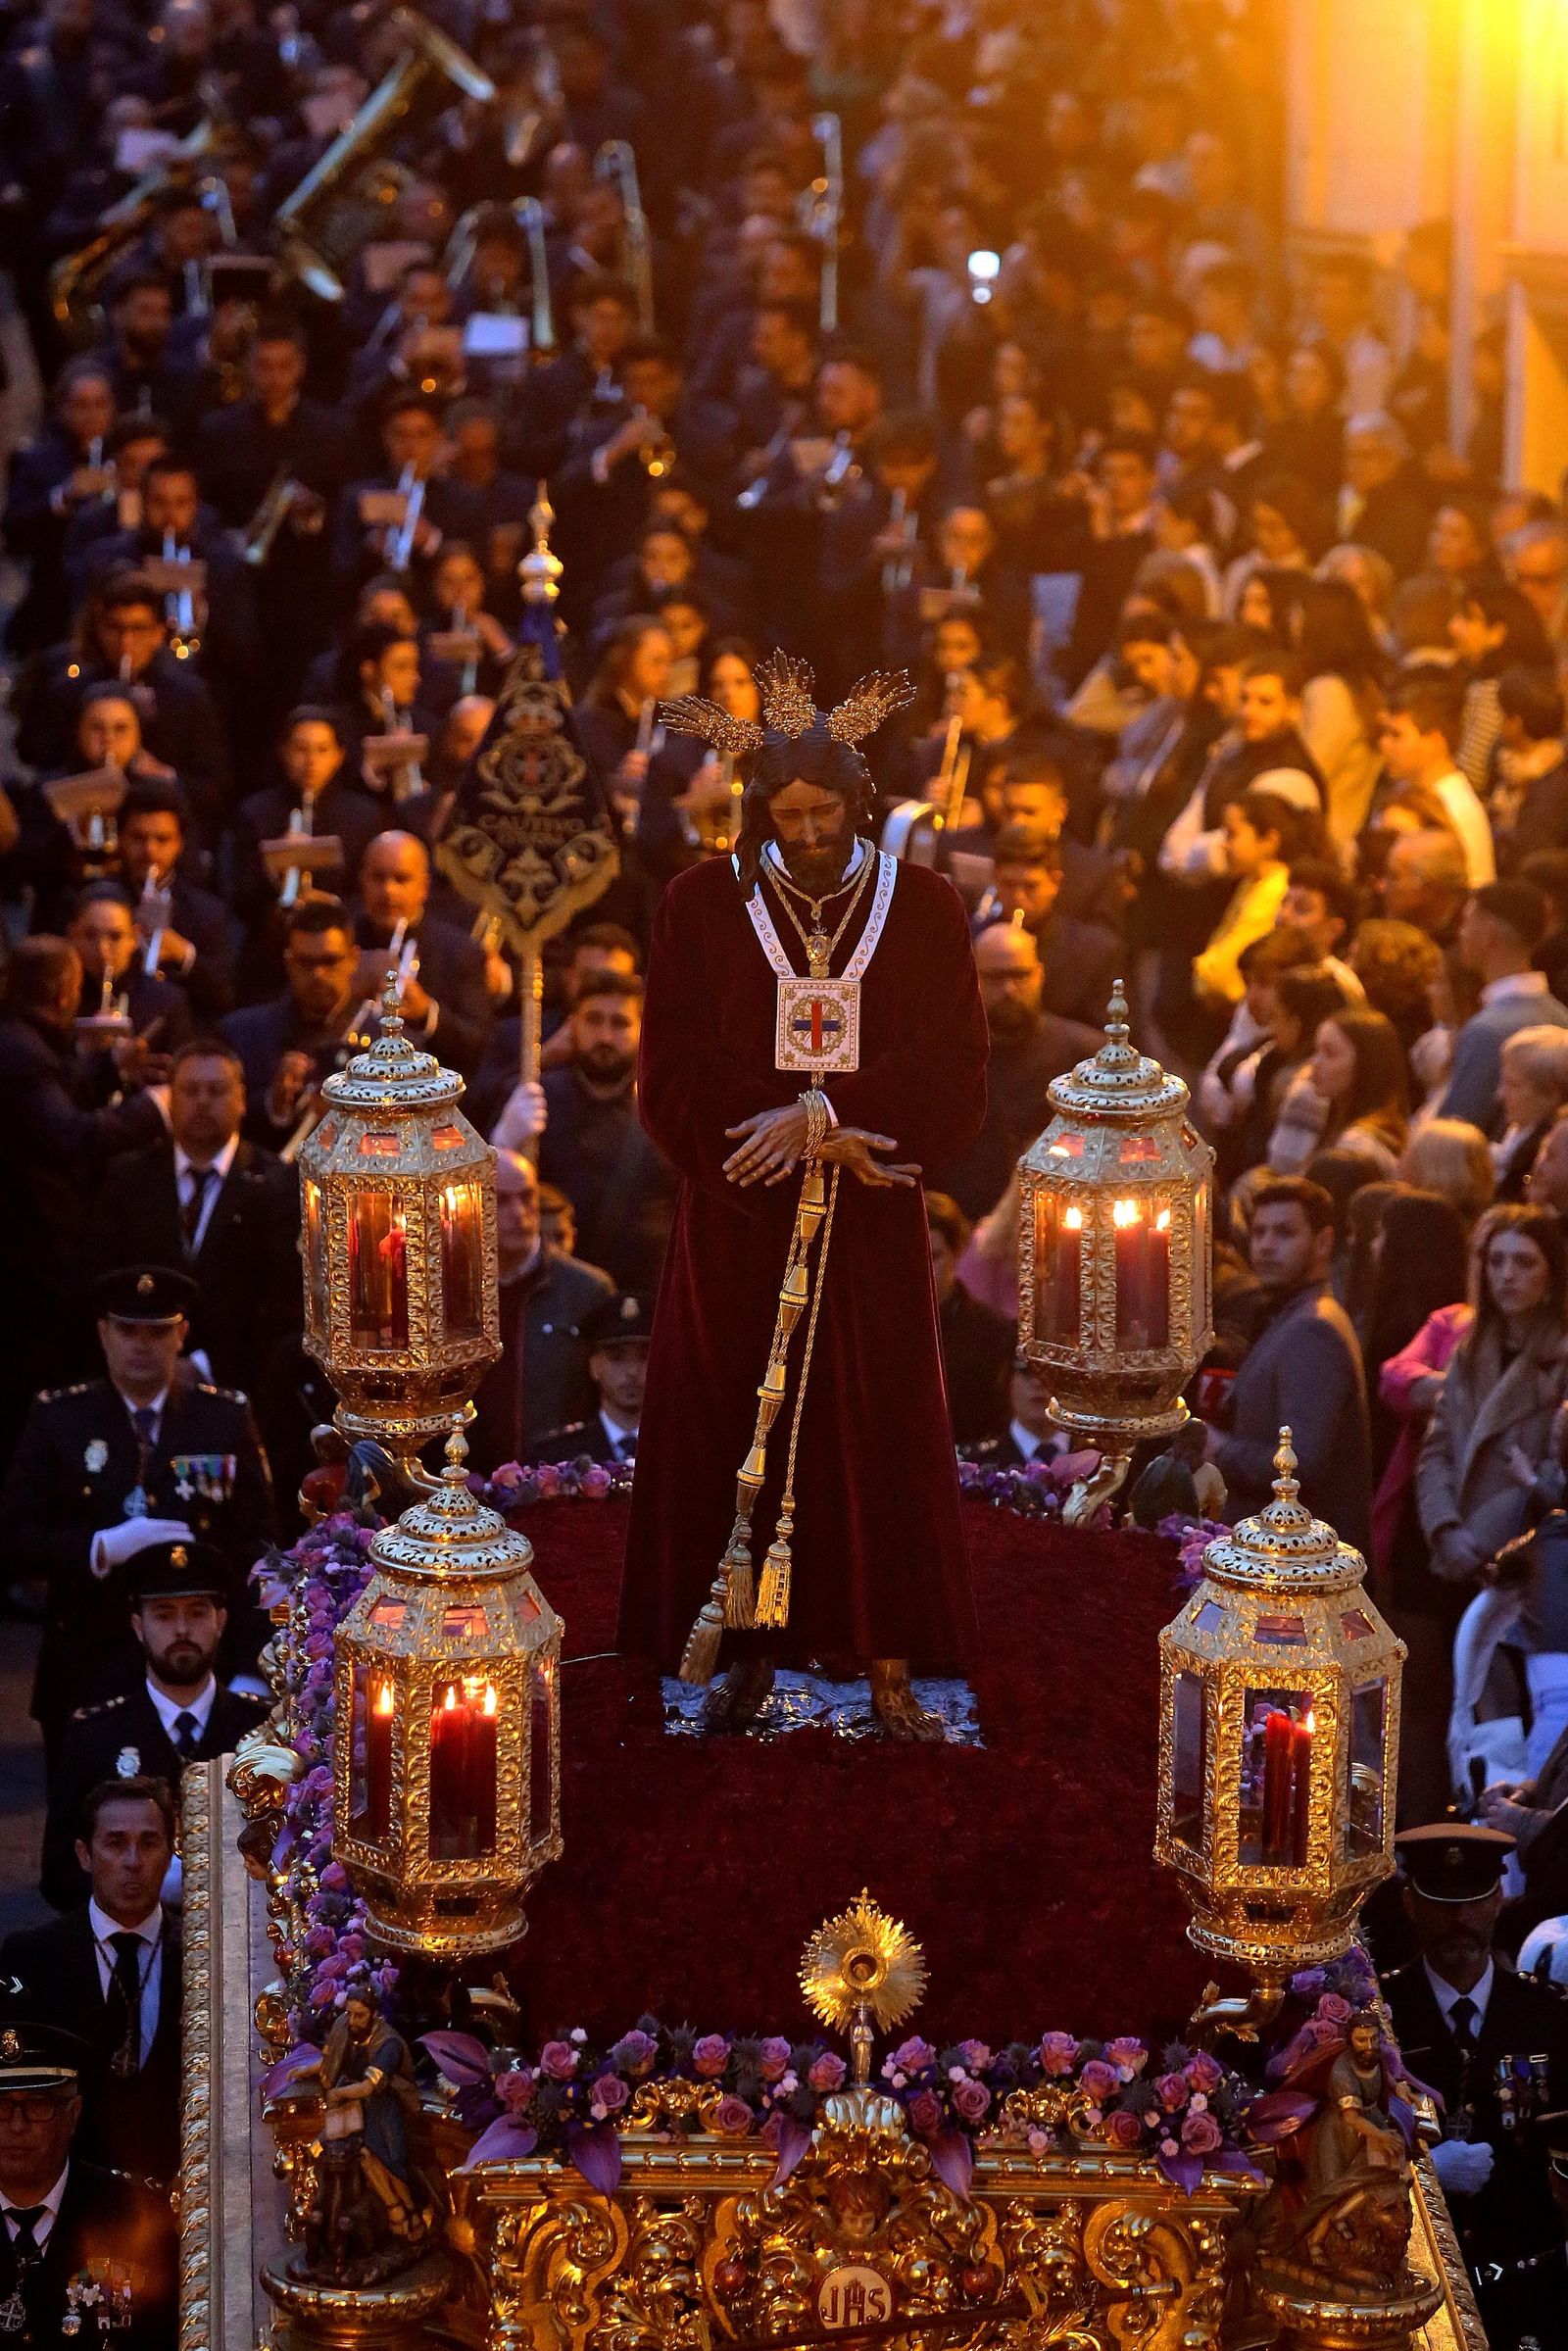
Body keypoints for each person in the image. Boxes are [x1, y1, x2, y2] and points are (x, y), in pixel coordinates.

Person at [617, 656, 988, 1739]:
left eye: (825, 810)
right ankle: (724, 1649)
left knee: (871, 1430)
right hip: (739, 1214)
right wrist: (770, 1132)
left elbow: (954, 1068)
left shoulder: (920, 907)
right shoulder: (696, 904)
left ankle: (883, 1647)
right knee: (724, 1414)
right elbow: (667, 1069)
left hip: (868, 1217)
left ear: (857, 802)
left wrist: (826, 1120)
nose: (808, 832)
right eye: (786, 814)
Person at [1, 1264, 275, 1755]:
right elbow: (14, 1538)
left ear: (182, 1334)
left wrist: (252, 1669)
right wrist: (98, 1547)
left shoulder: (224, 1418)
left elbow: (260, 1552)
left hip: (201, 1668)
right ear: (102, 1333)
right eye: (126, 1329)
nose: (141, 1344)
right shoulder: (59, 1418)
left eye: (158, 1330)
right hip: (87, 1663)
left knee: (205, 1821)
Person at [1380, 1824, 1568, 2350]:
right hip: (1413, 2286)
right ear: (1410, 1904)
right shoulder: (1376, 2015)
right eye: (1440, 1903)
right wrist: (1420, 2174)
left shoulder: (1549, 2018)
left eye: (1471, 1901)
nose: (1458, 1920)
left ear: (1498, 1900)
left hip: (1529, 2287)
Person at [40, 1537, 269, 1910]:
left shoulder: (260, 1730)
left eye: (197, 1612)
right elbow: (59, 1874)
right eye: (164, 1614)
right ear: (138, 1626)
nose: (181, 1629)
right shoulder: (95, 1736)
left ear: (221, 1621)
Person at [86, 1039, 300, 1395]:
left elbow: (283, 1306)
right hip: (134, 1385)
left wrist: (205, 1366)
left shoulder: (278, 1185)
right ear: (170, 1098)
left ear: (241, 1099)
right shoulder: (127, 1179)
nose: (202, 1101)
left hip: (242, 1390)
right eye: (189, 1090)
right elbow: (100, 1282)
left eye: (216, 1091)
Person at [0, 1779, 181, 2188]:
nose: (132, 1861)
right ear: (85, 1854)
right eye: (115, 1844)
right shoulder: (32, 1957)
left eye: (149, 1843)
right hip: (71, 2202)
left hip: (183, 2200)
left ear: (171, 1853)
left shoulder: (201, 1953)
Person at [1207, 1176, 1373, 1553]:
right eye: (1259, 1232)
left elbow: (1300, 1465)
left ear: (1323, 1242)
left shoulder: (1313, 1329)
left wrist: (1219, 1449)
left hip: (1302, 1565)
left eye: (1284, 1233)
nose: (1265, 1246)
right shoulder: (1292, 1316)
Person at [0, 2015, 177, 2351]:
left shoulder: (140, 2219)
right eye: (1, 2108)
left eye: (37, 2106)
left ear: (73, 2113)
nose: (17, 2126)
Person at [495, 971, 677, 1296]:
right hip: (552, 1296)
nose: (605, 1036)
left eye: (620, 1023)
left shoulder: (665, 1113)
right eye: (594, 1020)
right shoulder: (533, 1101)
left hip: (638, 1297)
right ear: (572, 1024)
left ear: (642, 1031)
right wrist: (503, 1142)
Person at [1416, 1202, 1568, 1588]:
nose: (1507, 1275)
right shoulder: (1469, 1352)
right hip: (1456, 1550)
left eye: (1524, 1262)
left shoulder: (1560, 1360)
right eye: (1496, 1261)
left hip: (1526, 1567)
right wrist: (1445, 1529)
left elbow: (1557, 1469)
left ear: (1551, 1274)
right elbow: (1436, 1450)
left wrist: (1487, 1536)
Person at [932, 918, 1099, 1220]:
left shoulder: (1086, 1058)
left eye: (1019, 975)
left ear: (1039, 976)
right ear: (973, 979)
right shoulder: (942, 1059)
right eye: (995, 977)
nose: (1009, 989)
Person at [466, 1151, 613, 1470]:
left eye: (527, 1197)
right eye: (501, 1201)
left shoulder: (586, 1290)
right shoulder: (453, 1291)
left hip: (558, 1481)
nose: (519, 1214)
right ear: (471, 1206)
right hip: (465, 1482)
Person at [353, 831, 493, 1079]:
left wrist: (426, 1012)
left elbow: (479, 1044)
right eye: (378, 877)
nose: (388, 891)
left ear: (424, 887)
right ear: (362, 880)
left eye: (401, 879)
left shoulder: (461, 951)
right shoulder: (341, 942)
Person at [1444, 881, 1568, 1128]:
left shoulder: (1485, 1031)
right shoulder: (1562, 1016)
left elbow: (1456, 1124)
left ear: (1489, 934)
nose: (1461, 933)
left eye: (1467, 921)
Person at [1376, 678, 1495, 890]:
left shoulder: (1459, 807)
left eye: (1396, 735)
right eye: (1384, 734)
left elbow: (1474, 888)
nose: (1384, 744)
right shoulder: (1404, 789)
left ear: (1434, 740)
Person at [926, 1192, 1014, 1445]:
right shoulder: (879, 1330)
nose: (922, 1267)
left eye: (933, 1257)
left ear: (957, 1254)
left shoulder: (991, 1334)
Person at [529, 1291, 650, 1465]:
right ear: (594, 1366)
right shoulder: (557, 1456)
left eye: (644, 1357)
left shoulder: (679, 1449)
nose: (632, 1371)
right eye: (616, 1358)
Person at [1306, 1007, 1410, 1177]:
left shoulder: (1357, 1146)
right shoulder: (1340, 1125)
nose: (1315, 1062)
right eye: (1316, 1051)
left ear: (1366, 1063)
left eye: (1329, 1053)